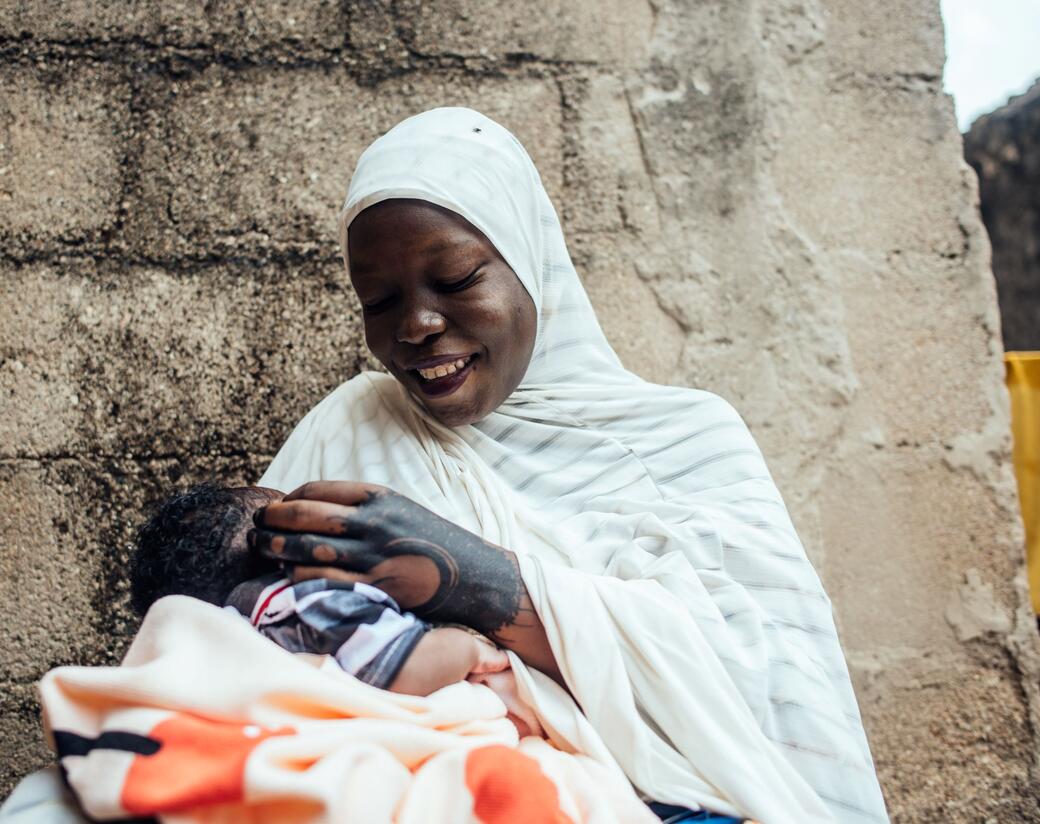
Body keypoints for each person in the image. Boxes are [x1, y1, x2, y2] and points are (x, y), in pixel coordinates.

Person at [245, 107, 890, 824]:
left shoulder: (682, 439)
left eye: (456, 278)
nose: (417, 325)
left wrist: (474, 577)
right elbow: (241, 643)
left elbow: (767, 700)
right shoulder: (353, 428)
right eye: (380, 301)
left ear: (530, 262)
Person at [127, 481, 543, 734]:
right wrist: (465, 647)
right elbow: (406, 669)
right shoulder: (307, 602)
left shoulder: (225, 651)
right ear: (287, 556)